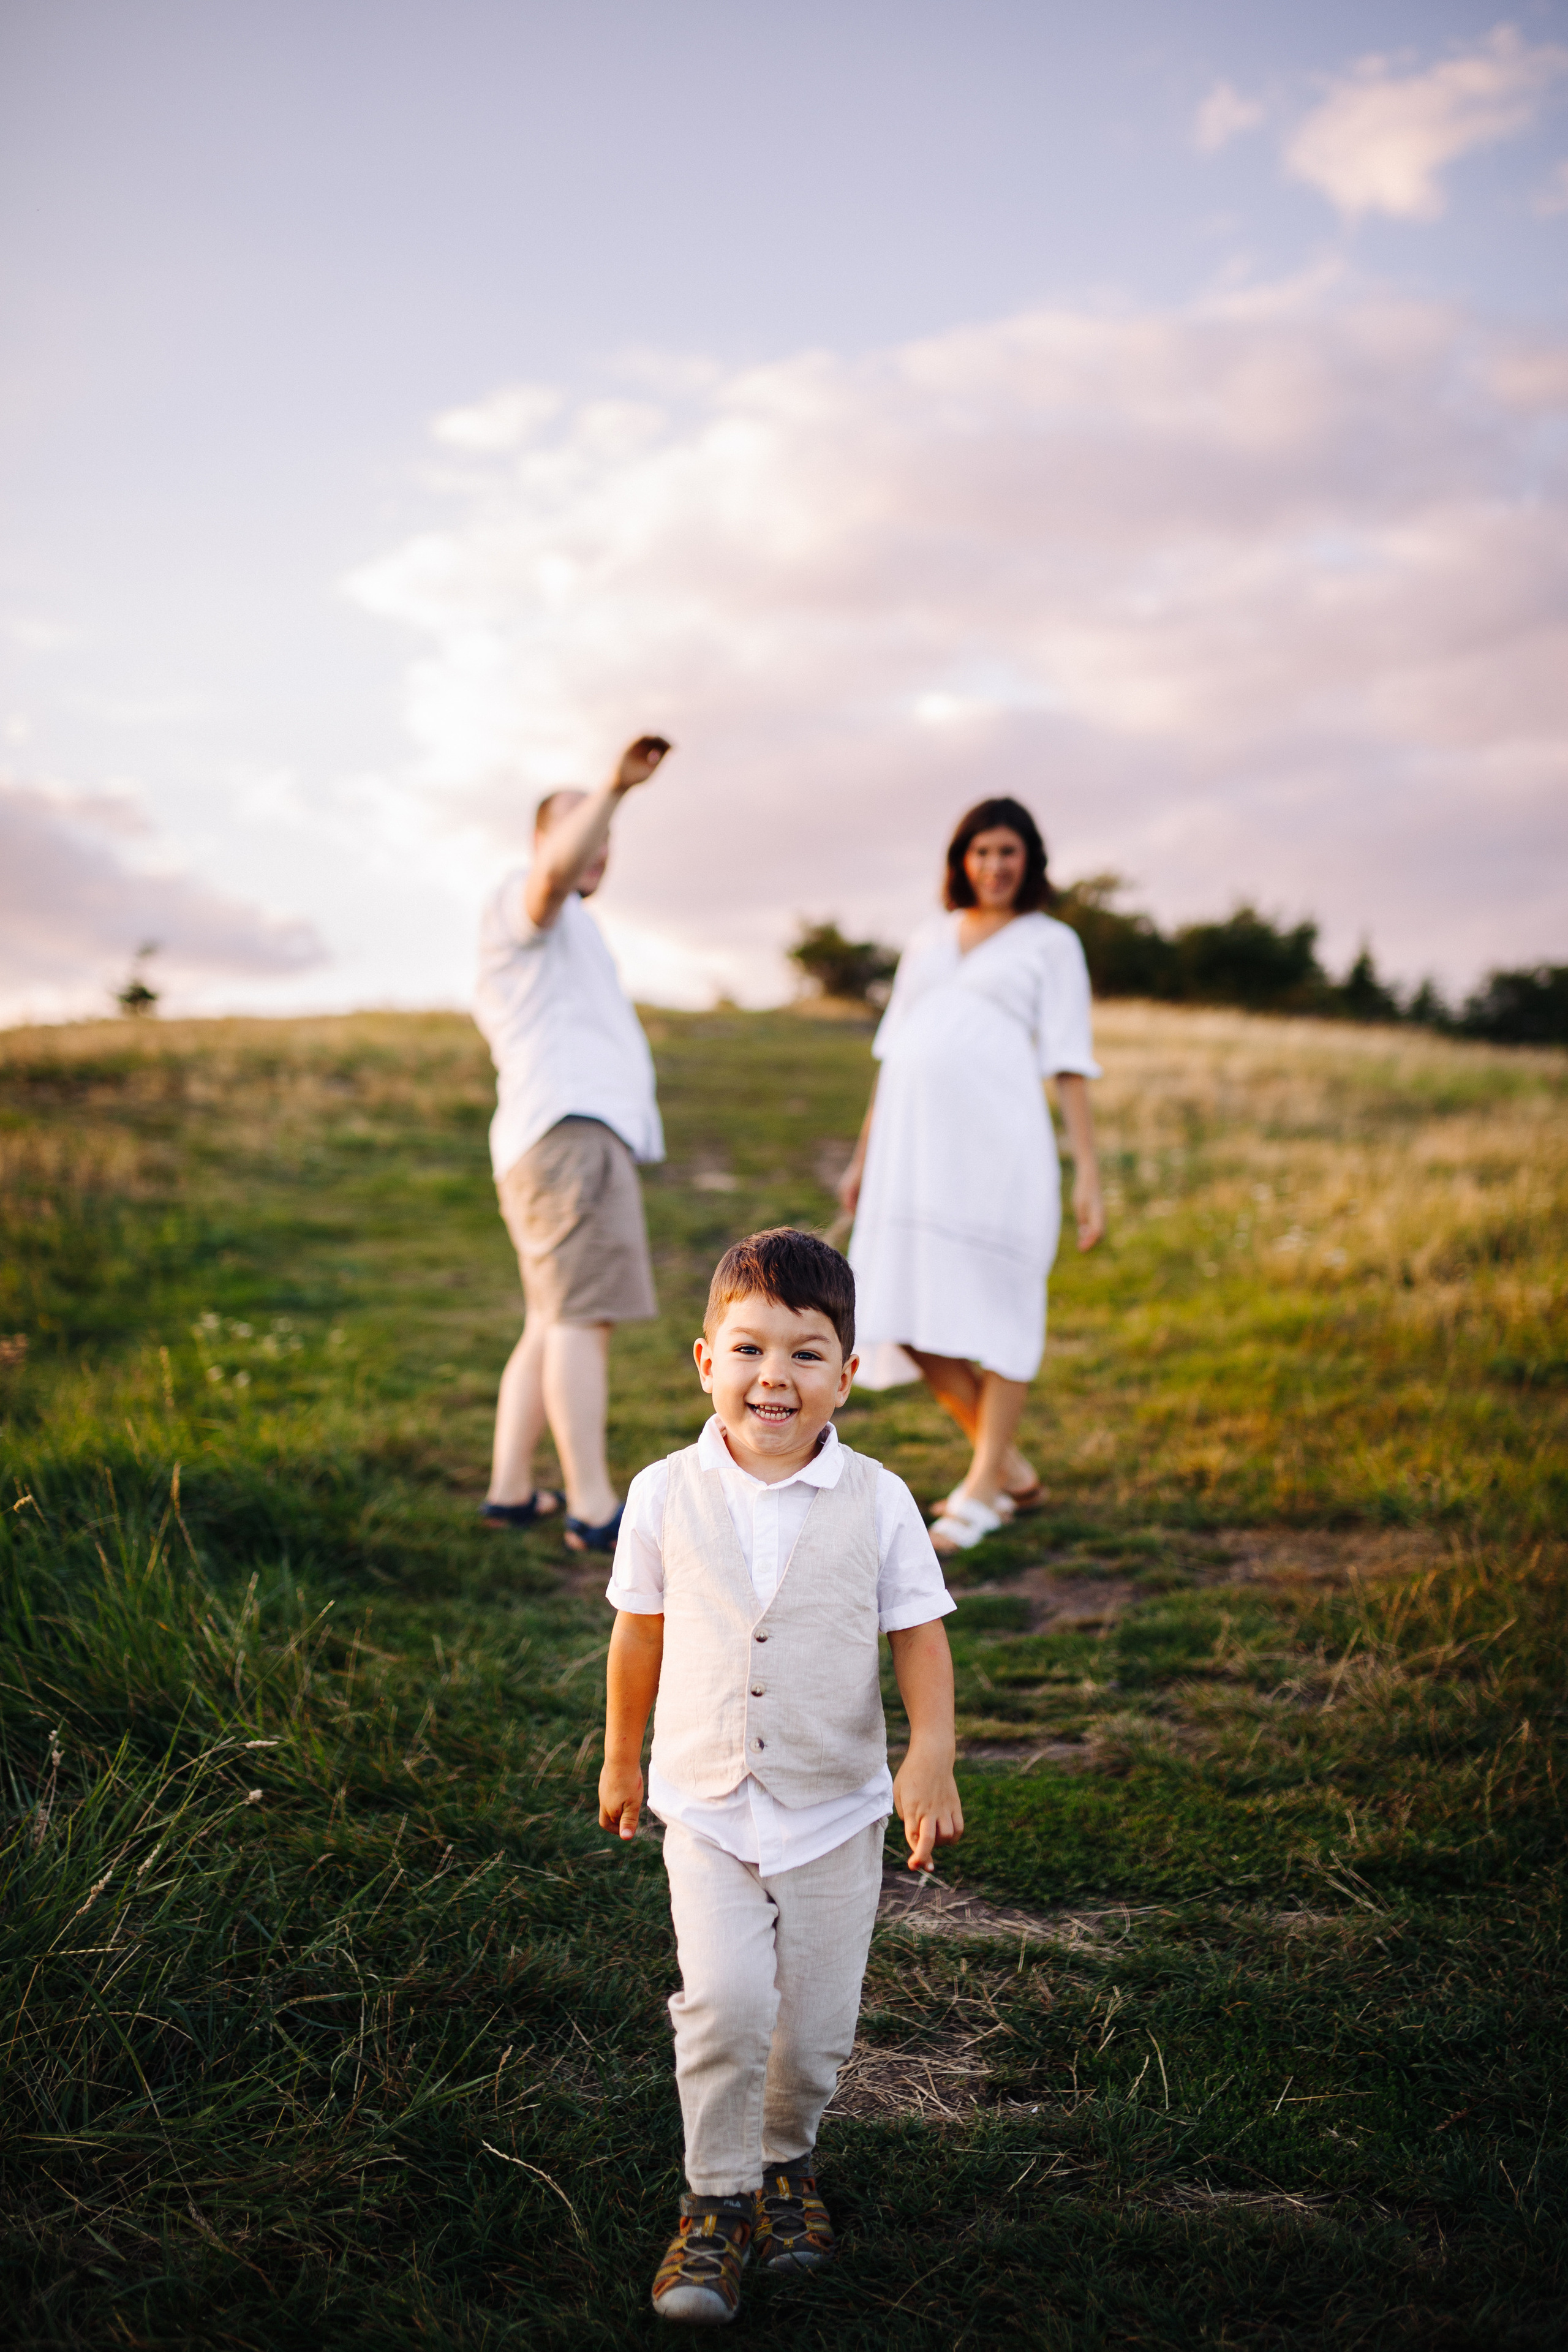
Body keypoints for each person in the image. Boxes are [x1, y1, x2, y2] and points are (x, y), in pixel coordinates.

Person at [598, 1227, 960, 2326]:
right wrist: (621, 1753)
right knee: (724, 2004)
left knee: (811, 2027)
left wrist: (929, 1751)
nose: (775, 1378)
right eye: (750, 1350)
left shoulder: (880, 1499)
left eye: (806, 1355)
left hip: (834, 1810)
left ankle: (789, 2166)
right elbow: (638, 1634)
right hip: (705, 1806)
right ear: (707, 1362)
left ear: (847, 1376)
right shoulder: (665, 1492)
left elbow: (919, 1632)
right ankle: (714, 2205)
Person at [837, 796, 1104, 1554]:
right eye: (981, 852)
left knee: (1002, 1312)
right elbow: (895, 1055)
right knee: (893, 1308)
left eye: (1008, 853)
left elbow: (1069, 1061)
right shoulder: (928, 939)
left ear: (1030, 862)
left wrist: (1087, 1171)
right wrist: (863, 1157)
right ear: (961, 859)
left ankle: (983, 1487)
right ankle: (1008, 1463)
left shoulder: (1051, 944)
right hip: (911, 1153)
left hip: (999, 1150)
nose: (994, 866)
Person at [473, 734, 671, 1553]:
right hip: (568, 1140)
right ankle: (595, 1508)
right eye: (583, 826)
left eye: (607, 834)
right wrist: (615, 789)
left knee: (550, 1320)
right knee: (581, 1319)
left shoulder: (576, 933)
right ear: (544, 840)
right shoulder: (526, 898)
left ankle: (512, 1492)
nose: (599, 844)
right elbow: (556, 873)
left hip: (557, 1140)